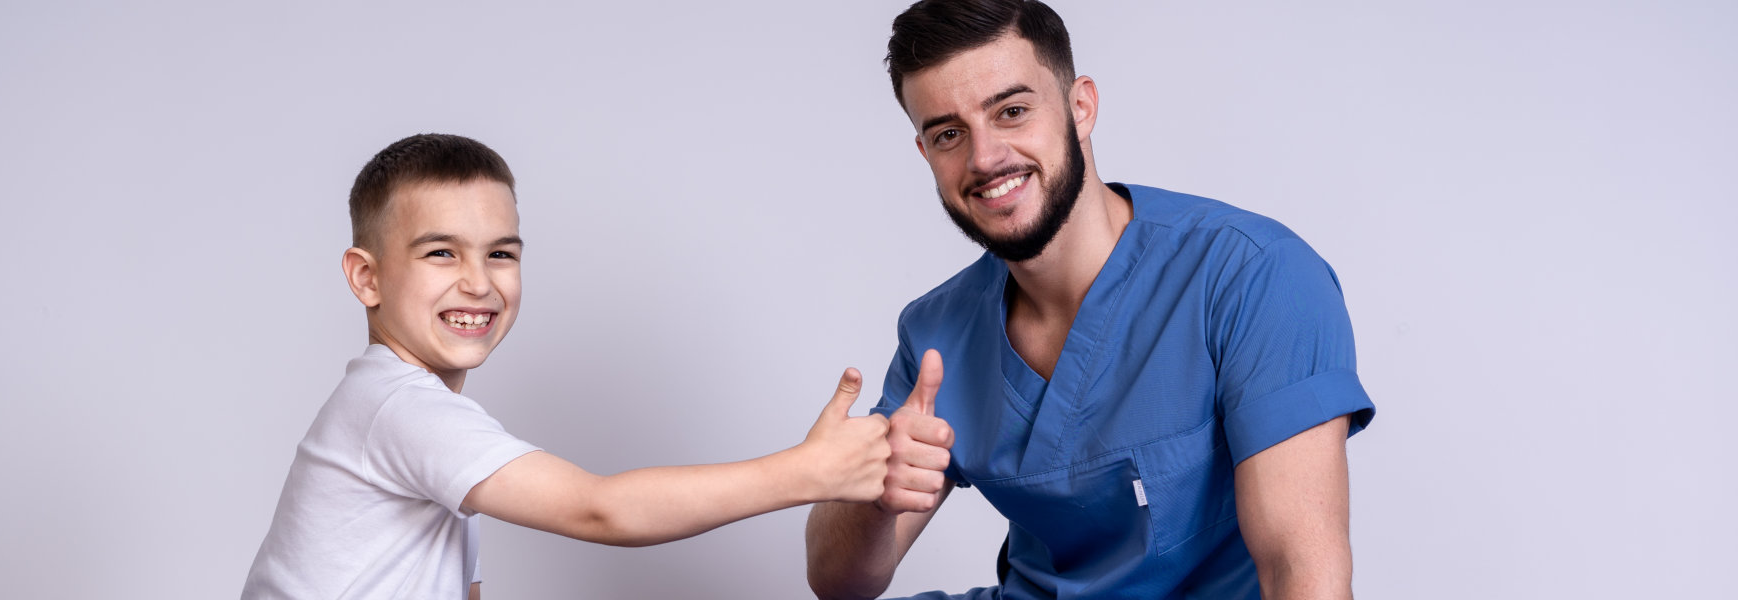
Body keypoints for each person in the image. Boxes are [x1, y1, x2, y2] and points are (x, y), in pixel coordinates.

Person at [804, 1, 1376, 599]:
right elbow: (839, 584)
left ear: (1081, 107)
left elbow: (1300, 570)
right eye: (949, 134)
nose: (984, 157)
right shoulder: (937, 333)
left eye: (1012, 111)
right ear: (926, 153)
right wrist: (872, 496)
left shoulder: (1252, 276)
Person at [243, 134, 892, 599]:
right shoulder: (401, 410)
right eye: (441, 253)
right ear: (367, 277)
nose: (478, 282)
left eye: (500, 254)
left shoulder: (428, 423)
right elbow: (600, 510)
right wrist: (807, 471)